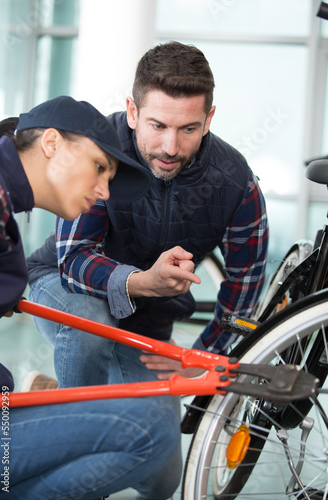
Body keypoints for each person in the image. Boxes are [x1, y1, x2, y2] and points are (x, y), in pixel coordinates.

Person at [27, 42, 269, 494]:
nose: (170, 147)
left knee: (161, 481)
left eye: (188, 128)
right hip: (59, 288)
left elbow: (245, 289)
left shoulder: (236, 183)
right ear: (132, 111)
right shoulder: (99, 149)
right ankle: (71, 433)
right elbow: (74, 258)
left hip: (148, 328)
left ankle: (51, 386)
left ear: (209, 120)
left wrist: (202, 356)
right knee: (89, 322)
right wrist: (140, 282)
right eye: (157, 125)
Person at [0, 95, 183, 500]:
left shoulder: (5, 206)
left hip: (0, 405)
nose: (102, 192)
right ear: (51, 143)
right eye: (99, 168)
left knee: (159, 460)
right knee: (152, 429)